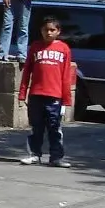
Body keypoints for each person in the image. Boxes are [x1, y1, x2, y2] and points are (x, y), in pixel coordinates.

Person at [18, 15, 74, 167]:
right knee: (36, 127)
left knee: (54, 128)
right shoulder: (35, 47)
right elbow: (27, 72)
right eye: (45, 30)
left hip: (55, 96)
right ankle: (34, 154)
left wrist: (66, 100)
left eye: (52, 30)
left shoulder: (64, 49)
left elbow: (66, 76)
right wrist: (22, 93)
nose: (48, 33)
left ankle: (56, 157)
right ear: (41, 31)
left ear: (58, 31)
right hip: (36, 94)